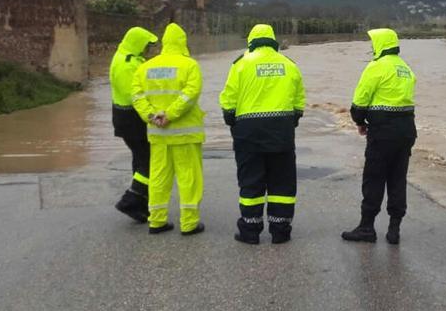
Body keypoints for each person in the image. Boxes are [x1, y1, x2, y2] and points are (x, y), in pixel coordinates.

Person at [219, 24, 305, 244]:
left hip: (248, 133)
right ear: (273, 40)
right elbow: (298, 102)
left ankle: (250, 231)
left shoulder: (240, 64)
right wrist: (290, 122)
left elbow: (229, 101)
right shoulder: (289, 64)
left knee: (251, 181)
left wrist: (233, 122)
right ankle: (280, 231)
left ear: (251, 40)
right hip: (281, 132)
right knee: (283, 183)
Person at [342, 28, 416, 245]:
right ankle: (394, 230)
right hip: (406, 130)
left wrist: (359, 121)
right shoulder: (406, 69)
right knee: (398, 178)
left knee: (374, 178)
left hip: (383, 132)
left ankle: (367, 228)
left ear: (380, 44)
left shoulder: (376, 67)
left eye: (373, 43)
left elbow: (360, 101)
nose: (371, 46)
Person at [132, 22, 206, 235]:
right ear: (183, 42)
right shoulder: (189, 65)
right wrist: (171, 114)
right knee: (189, 177)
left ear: (164, 43)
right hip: (185, 133)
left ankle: (156, 221)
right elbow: (190, 94)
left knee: (158, 177)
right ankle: (189, 223)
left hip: (158, 134)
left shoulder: (144, 67)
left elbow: (136, 97)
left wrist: (152, 116)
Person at [110, 26, 158, 222]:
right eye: (147, 45)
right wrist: (153, 113)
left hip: (125, 117)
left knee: (140, 159)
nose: (148, 49)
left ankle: (140, 203)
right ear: (138, 44)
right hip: (132, 118)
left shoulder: (125, 56)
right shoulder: (128, 64)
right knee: (149, 161)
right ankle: (130, 200)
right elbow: (136, 95)